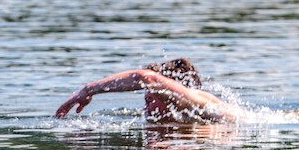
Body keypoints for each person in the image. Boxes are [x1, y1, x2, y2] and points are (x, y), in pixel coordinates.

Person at [55, 58, 240, 124]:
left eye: (153, 98)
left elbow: (146, 78)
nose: (147, 105)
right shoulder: (184, 115)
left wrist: (88, 90)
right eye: (147, 98)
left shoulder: (201, 105)